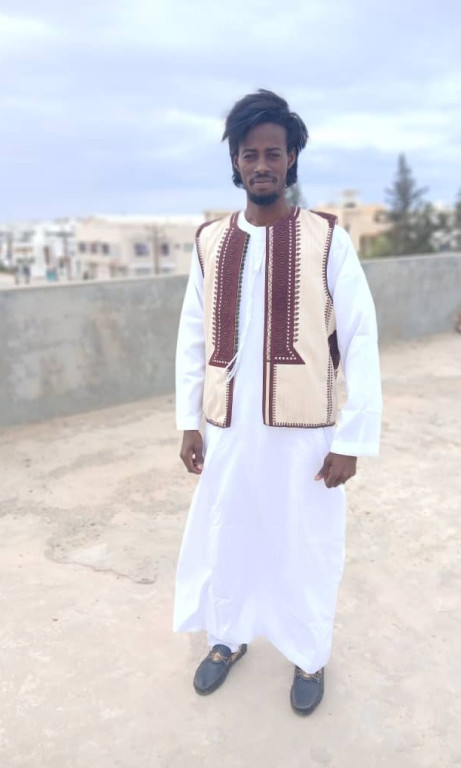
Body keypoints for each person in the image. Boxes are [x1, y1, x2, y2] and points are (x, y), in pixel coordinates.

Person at [174, 89, 382, 716]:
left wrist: (352, 438)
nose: (261, 165)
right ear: (235, 163)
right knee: (229, 533)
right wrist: (188, 421)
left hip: (305, 432)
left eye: (273, 153)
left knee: (304, 543)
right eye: (249, 154)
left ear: (291, 158)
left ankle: (309, 652)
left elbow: (361, 336)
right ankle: (227, 636)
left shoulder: (326, 239)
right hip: (229, 428)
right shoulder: (211, 241)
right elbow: (192, 334)